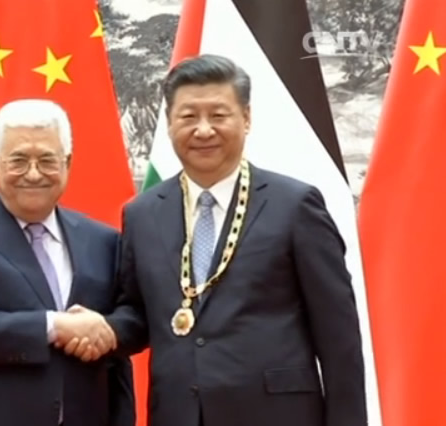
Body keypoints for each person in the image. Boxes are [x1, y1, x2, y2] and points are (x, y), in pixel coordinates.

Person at [59, 55, 367, 426]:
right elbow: (139, 312)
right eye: (188, 116)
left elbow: (339, 338)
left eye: (218, 115)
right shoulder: (142, 213)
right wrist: (106, 330)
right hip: (178, 414)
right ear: (169, 123)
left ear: (246, 118)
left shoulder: (294, 206)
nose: (203, 130)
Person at [0, 99, 135, 426]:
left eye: (47, 160)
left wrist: (107, 331)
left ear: (67, 163)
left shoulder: (104, 240)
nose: (33, 173)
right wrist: (55, 326)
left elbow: (131, 319)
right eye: (18, 160)